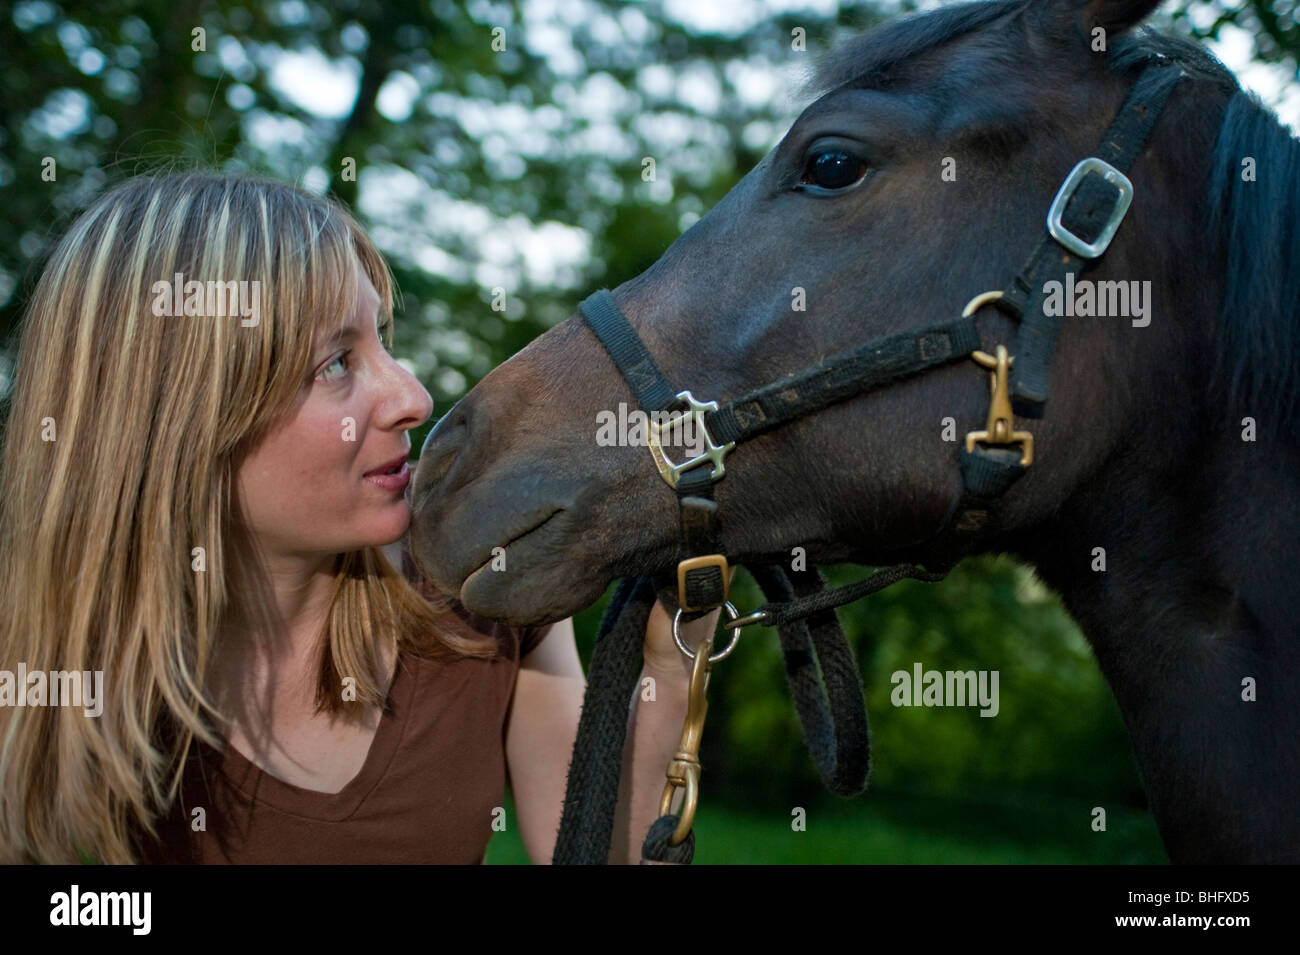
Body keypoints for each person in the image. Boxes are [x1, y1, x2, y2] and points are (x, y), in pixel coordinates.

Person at [0, 171, 719, 864]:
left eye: (383, 339)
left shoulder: (478, 594)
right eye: (336, 363)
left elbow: (600, 853)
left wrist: (672, 656)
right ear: (175, 424)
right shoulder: (40, 683)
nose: (412, 396)